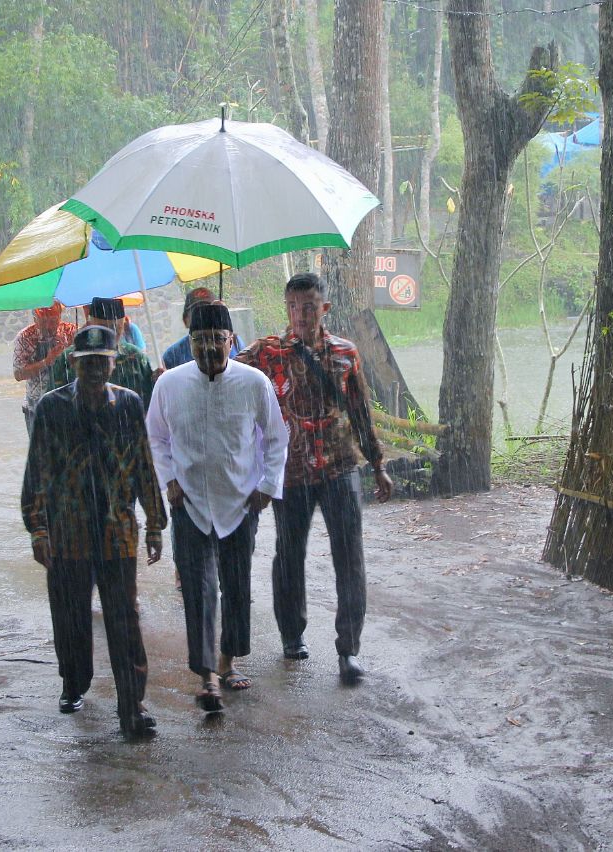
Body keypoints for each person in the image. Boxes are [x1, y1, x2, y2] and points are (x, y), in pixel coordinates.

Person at [236, 272, 393, 684]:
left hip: (340, 469)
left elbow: (360, 412)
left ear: (324, 308)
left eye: (308, 307)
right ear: (285, 308)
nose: (300, 315)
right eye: (292, 306)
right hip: (290, 472)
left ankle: (349, 649)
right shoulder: (266, 353)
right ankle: (292, 635)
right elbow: (226, 377)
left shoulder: (345, 353)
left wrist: (377, 464)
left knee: (349, 557)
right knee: (289, 555)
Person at [21, 324, 167, 739]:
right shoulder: (51, 408)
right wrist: (37, 529)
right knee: (70, 614)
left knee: (124, 618)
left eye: (102, 361)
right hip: (67, 531)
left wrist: (155, 522)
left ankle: (131, 704)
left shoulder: (129, 404)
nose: (95, 369)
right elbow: (38, 471)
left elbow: (143, 463)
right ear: (73, 363)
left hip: (117, 530)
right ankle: (73, 682)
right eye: (87, 363)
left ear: (114, 362)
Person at [146, 303, 288, 714]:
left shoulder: (254, 382)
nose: (208, 347)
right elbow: (155, 437)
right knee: (198, 588)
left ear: (231, 340)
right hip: (188, 500)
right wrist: (168, 479)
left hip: (241, 500)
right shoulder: (169, 384)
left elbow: (276, 439)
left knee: (235, 583)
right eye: (199, 339)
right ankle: (206, 674)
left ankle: (228, 660)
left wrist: (266, 486)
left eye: (216, 339)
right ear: (188, 341)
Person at [49, 297, 156, 409]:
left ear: (122, 326)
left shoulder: (136, 358)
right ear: (90, 325)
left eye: (115, 328)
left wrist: (158, 382)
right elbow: (51, 403)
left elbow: (151, 404)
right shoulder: (69, 358)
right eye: (104, 328)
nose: (110, 334)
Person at [11, 301, 76, 436]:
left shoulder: (71, 332)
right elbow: (18, 374)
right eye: (43, 321)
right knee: (40, 453)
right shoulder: (25, 337)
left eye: (53, 321)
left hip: (68, 403)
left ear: (60, 316)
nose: (49, 326)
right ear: (35, 319)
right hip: (36, 406)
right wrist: (46, 361)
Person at [161, 287, 244, 370]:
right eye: (197, 313)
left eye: (209, 310)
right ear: (185, 320)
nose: (204, 317)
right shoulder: (173, 355)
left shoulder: (236, 342)